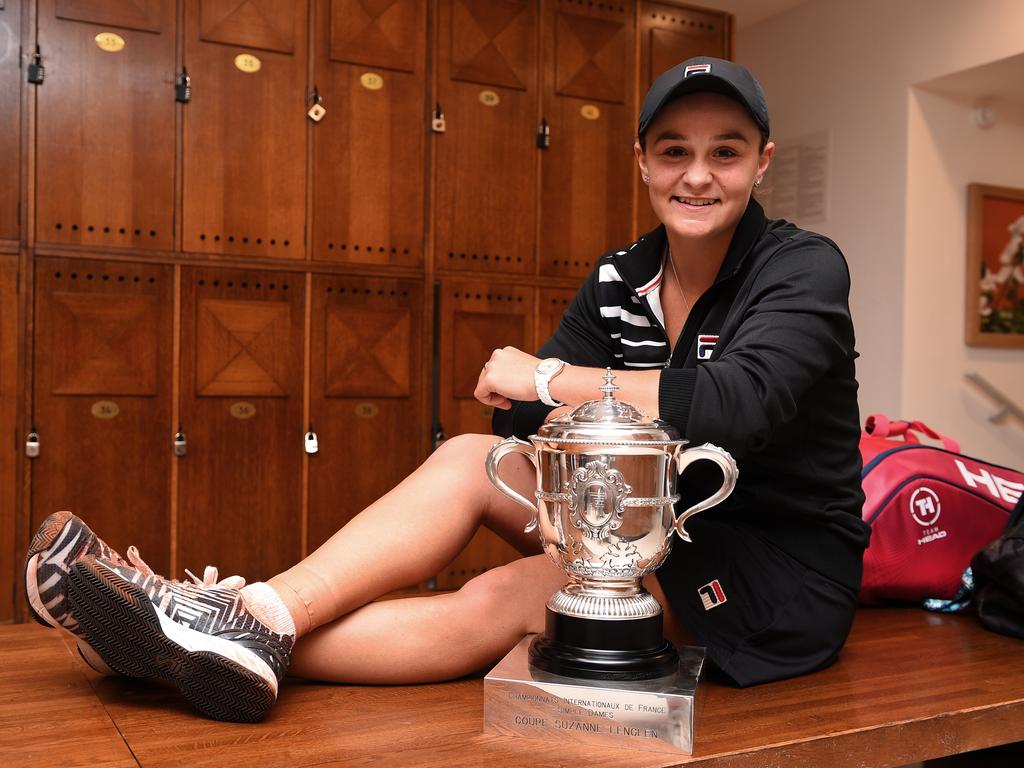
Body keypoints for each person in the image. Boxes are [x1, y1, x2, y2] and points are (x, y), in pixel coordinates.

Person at [24, 57, 870, 723]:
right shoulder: (624, 275)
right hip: (643, 520)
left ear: (761, 160)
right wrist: (565, 394)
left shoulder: (800, 267)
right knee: (473, 456)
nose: (697, 175)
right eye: (675, 150)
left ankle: (179, 636)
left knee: (508, 595)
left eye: (724, 151)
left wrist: (555, 377)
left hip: (774, 570)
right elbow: (525, 417)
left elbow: (734, 404)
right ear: (642, 159)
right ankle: (244, 617)